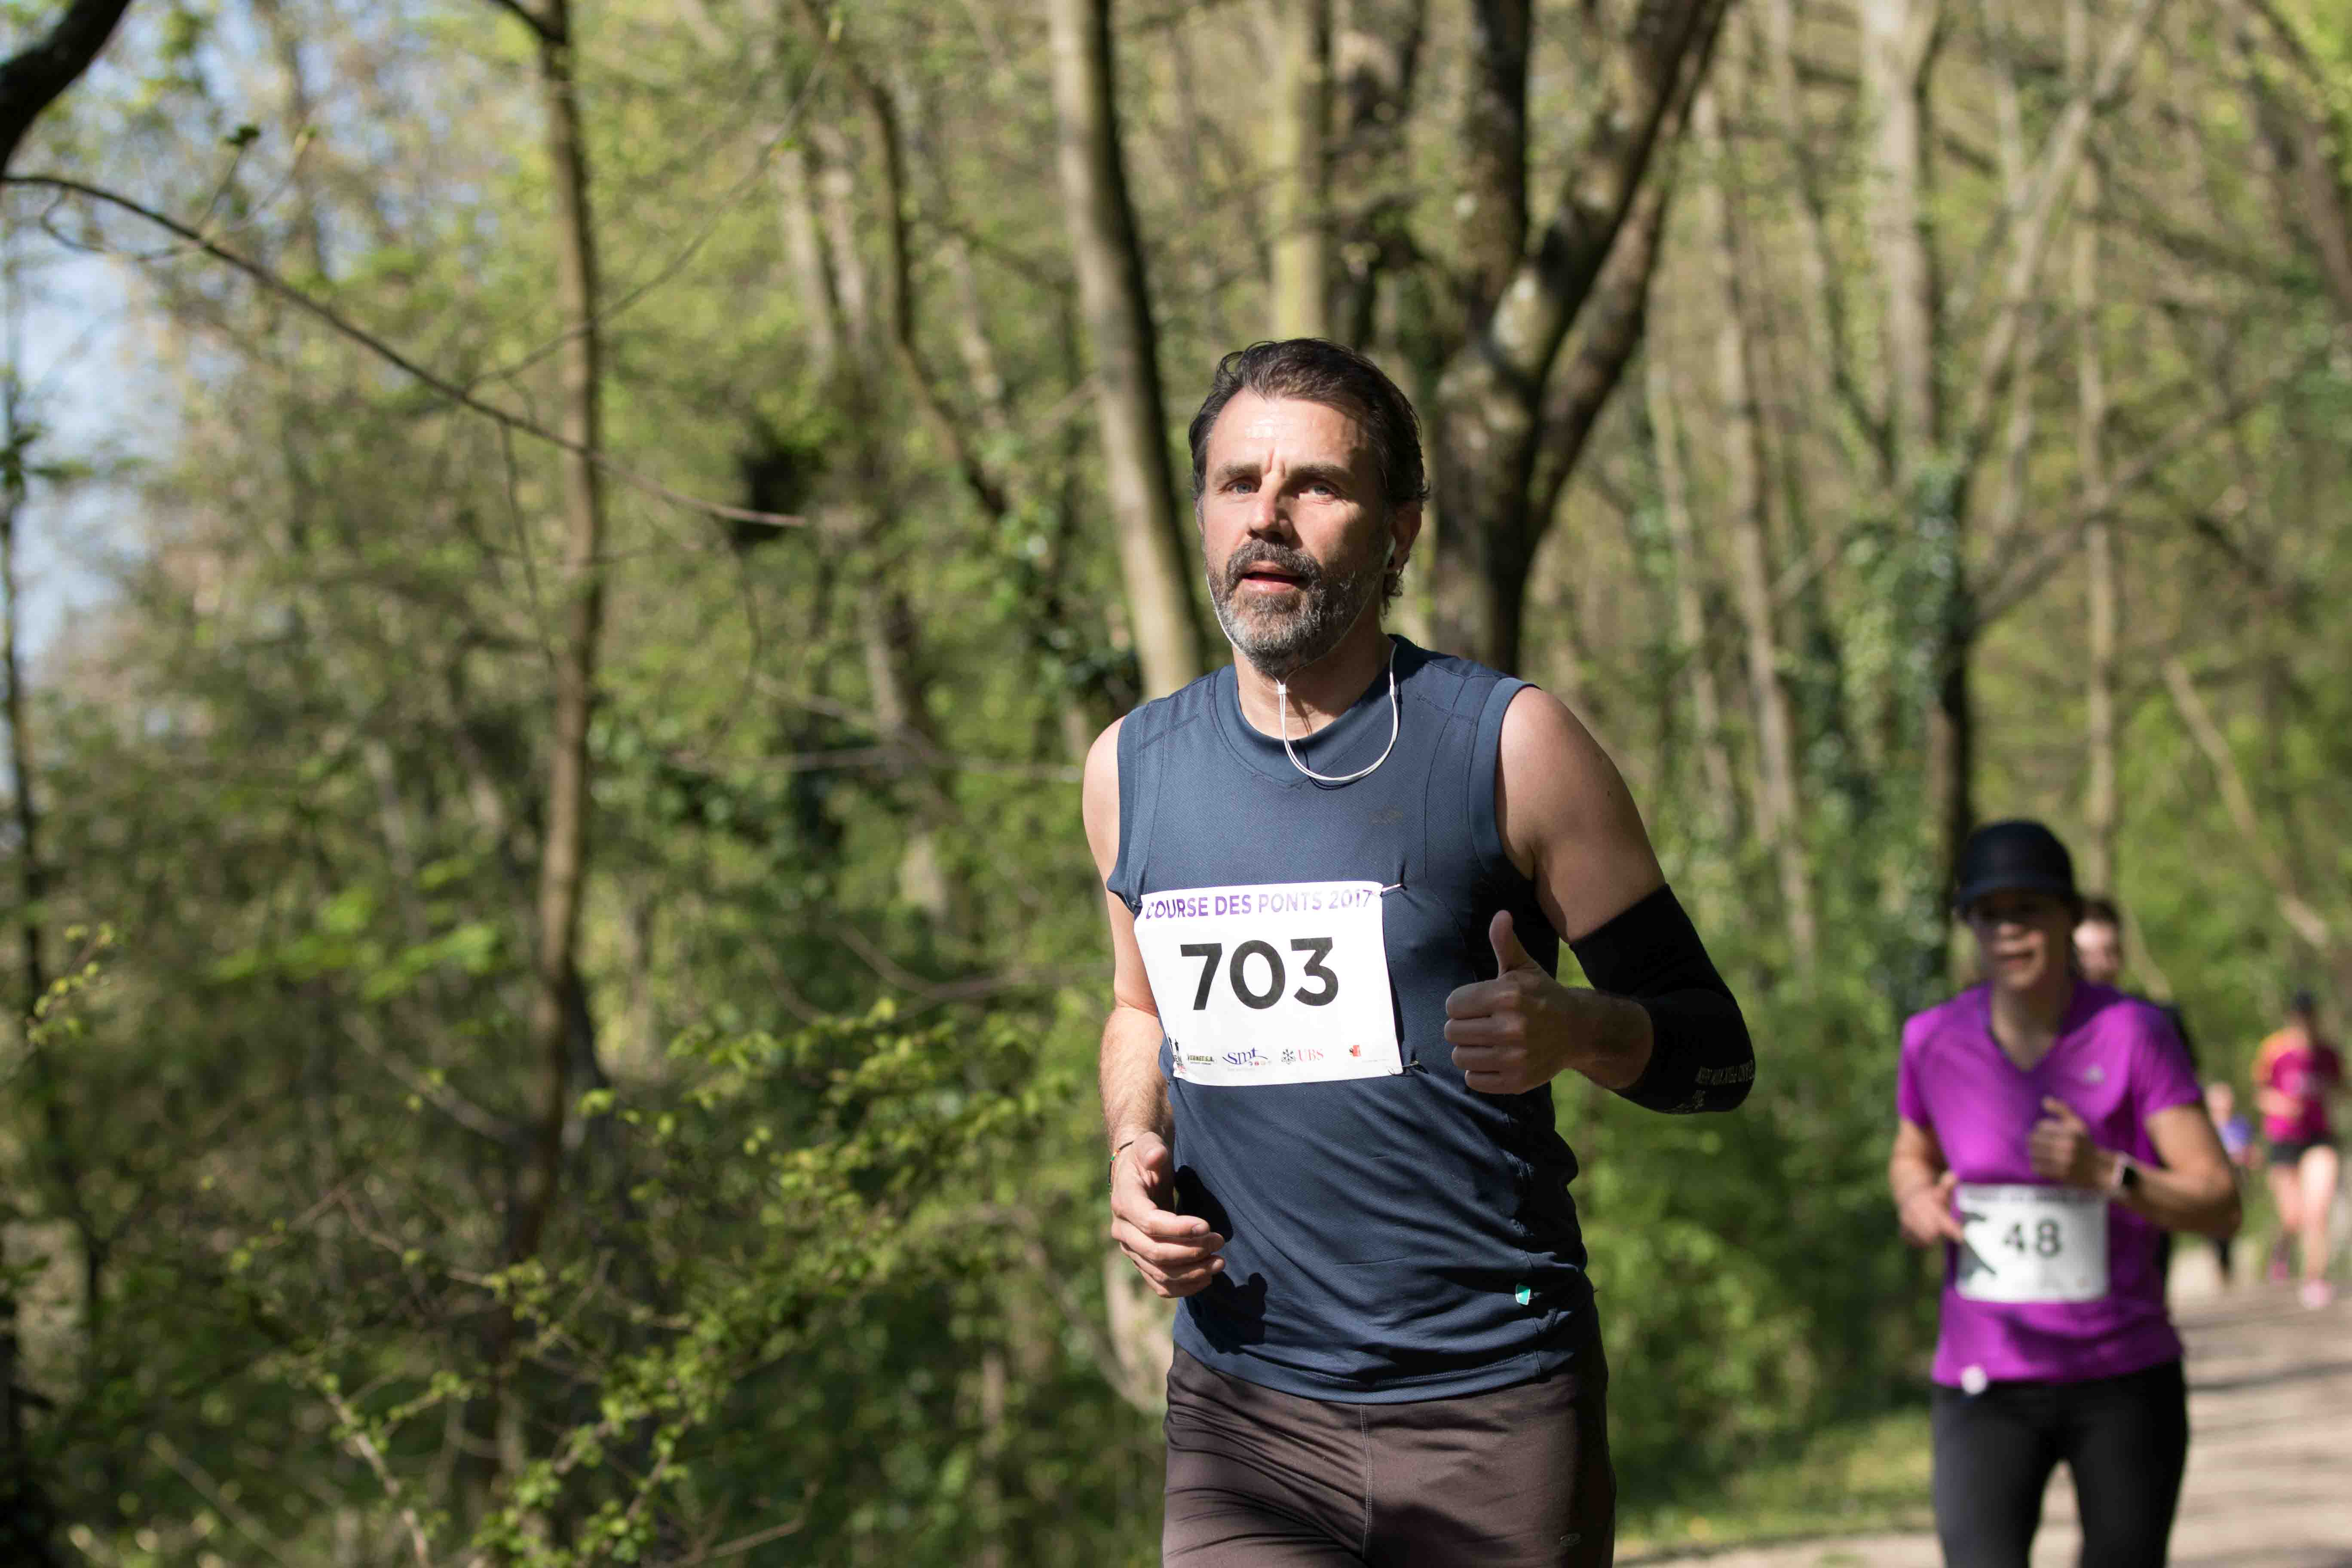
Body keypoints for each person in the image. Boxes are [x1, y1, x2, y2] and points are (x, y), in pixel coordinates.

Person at [1081, 339, 1754, 1567]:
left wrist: (1579, 1029)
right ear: (1201, 513)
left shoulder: (1512, 747)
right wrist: (1134, 1144)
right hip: (1243, 1413)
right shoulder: (1130, 770)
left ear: (1398, 534)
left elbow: (1717, 1053)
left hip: (1489, 1405)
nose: (1267, 517)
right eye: (1237, 483)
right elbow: (1140, 1010)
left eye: (1315, 486)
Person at [1889, 820, 2239, 1568]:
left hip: (2122, 1373)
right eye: (1989, 913)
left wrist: (2107, 1173)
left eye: (2029, 909)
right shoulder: (1932, 1039)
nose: (2009, 930)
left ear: (2070, 917)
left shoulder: (2134, 1033)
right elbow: (1911, 1153)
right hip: (1985, 1376)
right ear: (1968, 925)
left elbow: (2219, 1199)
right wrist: (1915, 1197)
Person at [2072, 895, 2199, 1290]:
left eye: (2109, 952)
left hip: (2145, 1201)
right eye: (2086, 954)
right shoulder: (2034, 1034)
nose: (2100, 965)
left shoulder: (2155, 1025)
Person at [2254, 992, 2343, 1308]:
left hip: (2319, 1137)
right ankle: (2282, 1250)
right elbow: (2260, 1095)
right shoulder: (2274, 1051)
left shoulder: (2327, 1053)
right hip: (2285, 1139)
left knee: (2317, 1209)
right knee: (2293, 1216)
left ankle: (2315, 1278)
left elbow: (2341, 1088)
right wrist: (2281, 1105)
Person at [2204, 1081, 2256, 1286]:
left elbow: (2251, 1153)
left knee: (2229, 1226)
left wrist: (2247, 1158)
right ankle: (2221, 1264)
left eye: (2228, 1098)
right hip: (2211, 1185)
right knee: (2215, 1228)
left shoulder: (2240, 1125)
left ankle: (2227, 1266)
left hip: (2235, 1183)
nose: (2226, 1103)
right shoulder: (2205, 1128)